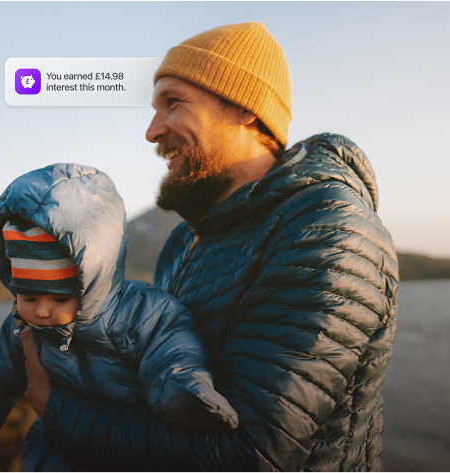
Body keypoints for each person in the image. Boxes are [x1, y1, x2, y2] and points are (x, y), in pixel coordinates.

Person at [22, 22, 399, 472]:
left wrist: (55, 407)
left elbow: (252, 454)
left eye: (173, 103)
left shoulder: (328, 231)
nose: (151, 131)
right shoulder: (185, 240)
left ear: (244, 107)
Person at [0, 164, 239, 472]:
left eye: (59, 298)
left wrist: (183, 391)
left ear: (89, 281)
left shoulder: (139, 310)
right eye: (29, 297)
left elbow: (172, 347)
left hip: (127, 440)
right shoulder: (22, 321)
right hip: (53, 443)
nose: (41, 311)